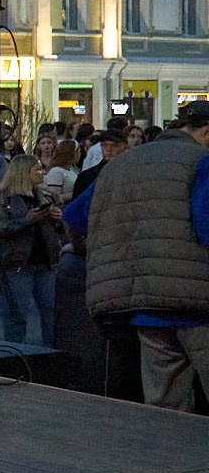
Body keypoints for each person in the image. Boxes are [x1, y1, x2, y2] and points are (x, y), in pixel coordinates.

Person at [73, 99, 209, 411]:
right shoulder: (202, 160)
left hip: (145, 307)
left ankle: (166, 461)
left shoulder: (121, 165)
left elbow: (74, 218)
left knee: (165, 407)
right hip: (199, 303)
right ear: (206, 132)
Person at [0, 153, 61, 347]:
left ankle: (51, 352)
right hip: (18, 262)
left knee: (51, 312)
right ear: (25, 172)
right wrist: (26, 220)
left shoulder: (45, 195)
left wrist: (56, 218)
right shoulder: (5, 197)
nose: (42, 173)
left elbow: (55, 228)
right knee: (17, 315)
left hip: (45, 261)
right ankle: (17, 353)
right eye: (38, 169)